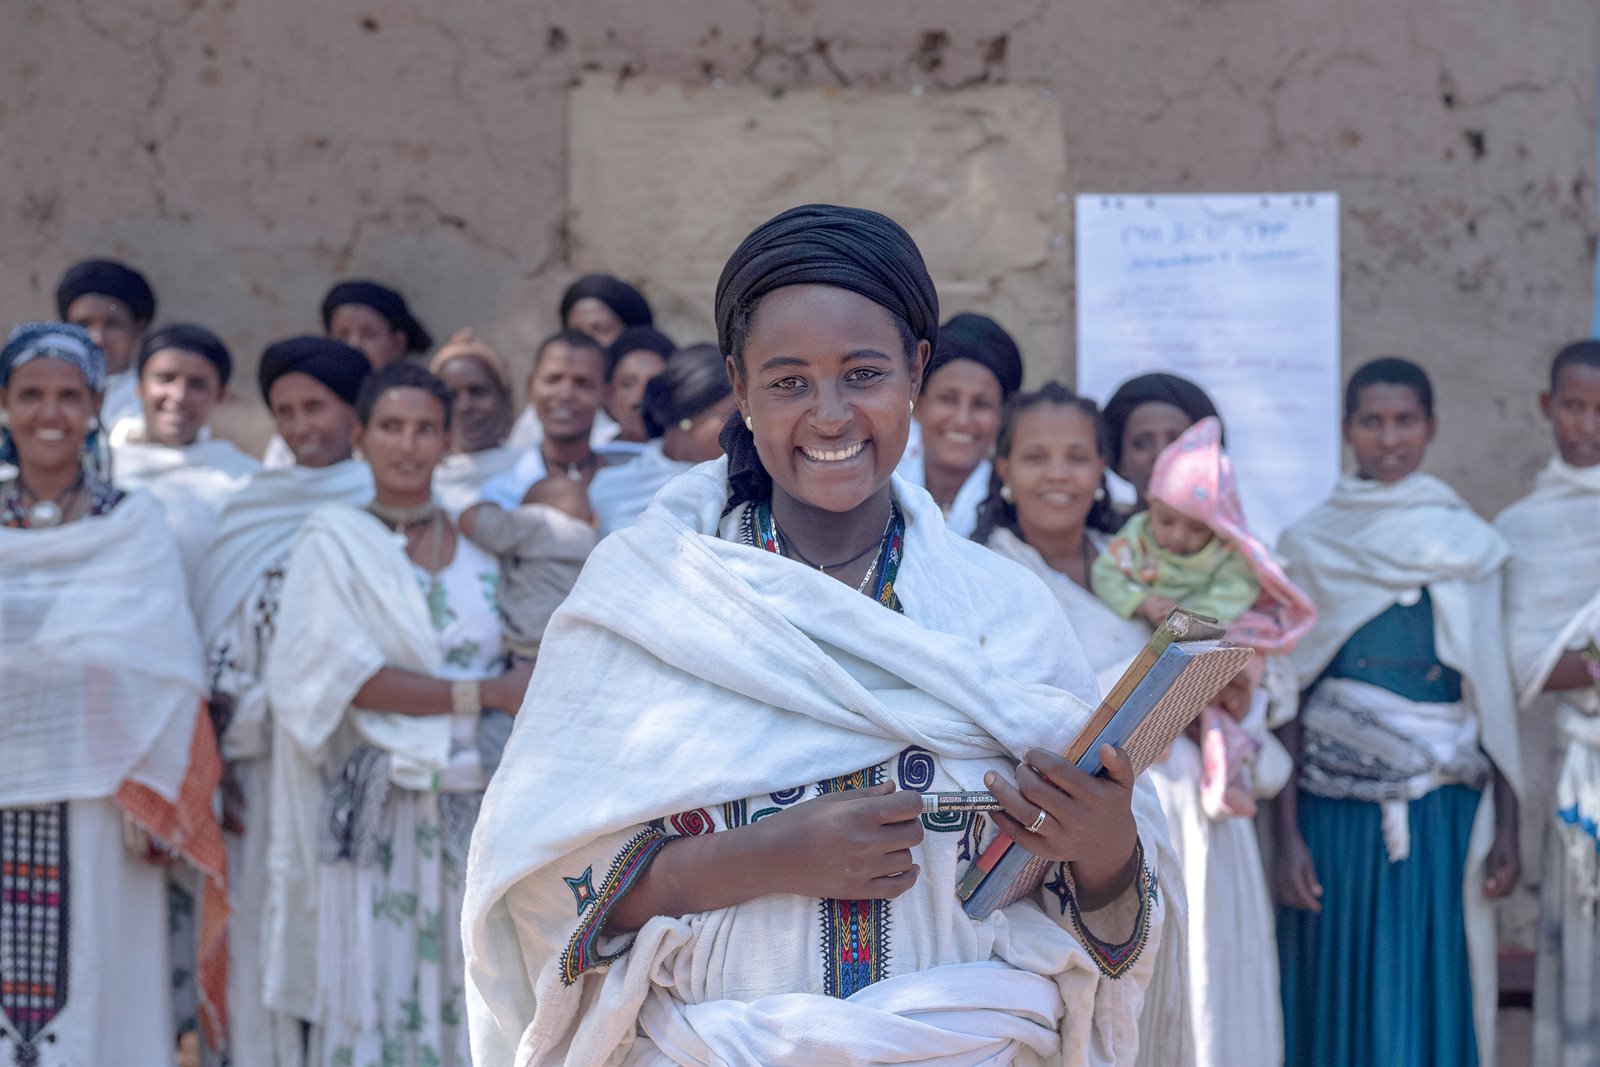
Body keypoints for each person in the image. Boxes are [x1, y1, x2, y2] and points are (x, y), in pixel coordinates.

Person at [463, 204, 1170, 1066]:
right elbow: (534, 891)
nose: (829, 416)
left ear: (916, 369)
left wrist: (1105, 851)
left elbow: (1108, 934)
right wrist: (749, 859)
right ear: (740, 383)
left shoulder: (1004, 613)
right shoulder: (648, 599)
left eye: (863, 374)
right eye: (789, 380)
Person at [265, 362, 531, 1067]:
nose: (407, 445)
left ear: (447, 439)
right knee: (373, 989)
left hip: (479, 808)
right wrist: (486, 693)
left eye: (424, 429)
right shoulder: (332, 542)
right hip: (378, 807)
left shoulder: (484, 548)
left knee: (475, 988)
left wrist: (506, 693)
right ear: (360, 435)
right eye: (390, 426)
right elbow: (345, 678)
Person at [1274, 357, 1522, 1067]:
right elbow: (1287, 697)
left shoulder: (1469, 546)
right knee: (1333, 983)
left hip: (1443, 815)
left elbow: (1493, 696)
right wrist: (1286, 835)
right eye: (1372, 422)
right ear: (1347, 430)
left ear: (1432, 427)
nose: (1389, 438)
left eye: (1405, 420)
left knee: (1433, 978)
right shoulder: (1309, 544)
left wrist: (1509, 823)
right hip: (1333, 816)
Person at [0, 322, 227, 1067]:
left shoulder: (131, 524)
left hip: (105, 799)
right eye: (31, 394)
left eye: (69, 395)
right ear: (4, 403)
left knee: (105, 998)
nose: (50, 413)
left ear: (97, 402)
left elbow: (164, 665)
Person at [194, 336, 374, 1067]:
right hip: (259, 767)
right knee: (264, 923)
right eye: (286, 411)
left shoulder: (385, 503)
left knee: (344, 929)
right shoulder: (248, 511)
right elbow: (216, 637)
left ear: (355, 413)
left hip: (353, 760)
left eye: (317, 408)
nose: (302, 426)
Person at [1496, 340, 1600, 1067]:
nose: (1588, 423)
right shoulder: (1522, 530)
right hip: (1580, 779)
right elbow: (1523, 662)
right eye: (1574, 405)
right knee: (1582, 956)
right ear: (1546, 407)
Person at [109, 323, 260, 583]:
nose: (178, 396)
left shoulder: (246, 482)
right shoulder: (101, 471)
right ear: (139, 386)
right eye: (165, 378)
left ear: (220, 396)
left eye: (197, 385)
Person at [262, 280, 432, 469]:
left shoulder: (424, 411)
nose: (354, 345)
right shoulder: (299, 431)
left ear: (397, 344)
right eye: (342, 335)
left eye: (368, 334)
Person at [585, 342, 737, 537]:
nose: (746, 427)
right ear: (687, 417)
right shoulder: (609, 485)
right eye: (730, 416)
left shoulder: (741, 485)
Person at [895, 311, 1024, 537]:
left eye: (981, 404)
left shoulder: (1023, 501)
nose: (962, 420)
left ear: (1002, 417)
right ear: (918, 403)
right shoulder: (883, 483)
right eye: (947, 399)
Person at [481, 330, 638, 509]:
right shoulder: (500, 495)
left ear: (606, 394)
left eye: (582, 383)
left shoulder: (637, 481)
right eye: (553, 379)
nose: (566, 395)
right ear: (530, 388)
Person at [506, 273, 655, 449]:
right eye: (576, 331)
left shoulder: (648, 405)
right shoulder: (541, 415)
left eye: (599, 329)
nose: (587, 341)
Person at [460, 474, 598, 660]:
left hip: (534, 645)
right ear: (594, 519)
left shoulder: (538, 523)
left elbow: (470, 521)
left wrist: (494, 508)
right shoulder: (597, 546)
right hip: (584, 644)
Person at [54, 257, 157, 432]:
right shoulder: (42, 395)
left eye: (112, 324)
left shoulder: (156, 402)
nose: (97, 339)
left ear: (139, 327)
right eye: (83, 325)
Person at [427, 329, 520, 513]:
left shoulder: (531, 475)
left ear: (506, 402)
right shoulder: (421, 487)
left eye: (477, 392)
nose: (464, 407)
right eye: (451, 396)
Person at [1100, 372, 1221, 512]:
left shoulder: (1232, 534)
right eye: (1142, 444)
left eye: (1177, 442)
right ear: (1121, 462)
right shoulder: (1104, 534)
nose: (1160, 455)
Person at [603, 324, 677, 444]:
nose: (642, 393)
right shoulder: (592, 460)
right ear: (608, 397)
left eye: (654, 383)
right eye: (629, 383)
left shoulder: (697, 461)